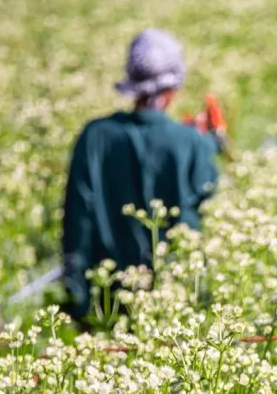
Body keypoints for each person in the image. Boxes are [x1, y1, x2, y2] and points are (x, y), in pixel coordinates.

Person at [60, 28, 225, 328]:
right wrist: (208, 141)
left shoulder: (94, 136)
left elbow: (77, 218)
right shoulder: (192, 142)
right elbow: (207, 196)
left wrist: (77, 294)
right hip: (175, 303)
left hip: (107, 303)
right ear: (173, 88)